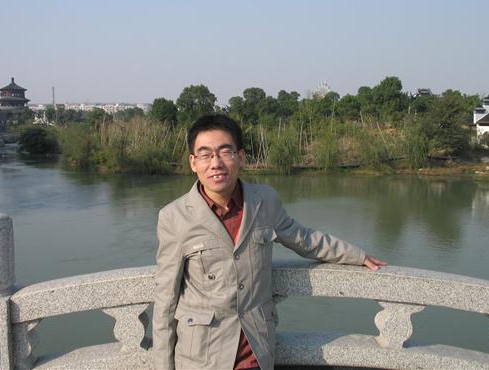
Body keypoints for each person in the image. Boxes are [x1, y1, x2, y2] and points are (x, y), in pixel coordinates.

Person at [153, 114, 387, 370]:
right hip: (202, 357)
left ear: (241, 157)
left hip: (255, 350)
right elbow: (166, 300)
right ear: (193, 162)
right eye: (205, 155)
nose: (216, 163)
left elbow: (303, 238)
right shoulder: (174, 217)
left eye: (225, 152)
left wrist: (357, 255)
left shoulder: (263, 201)